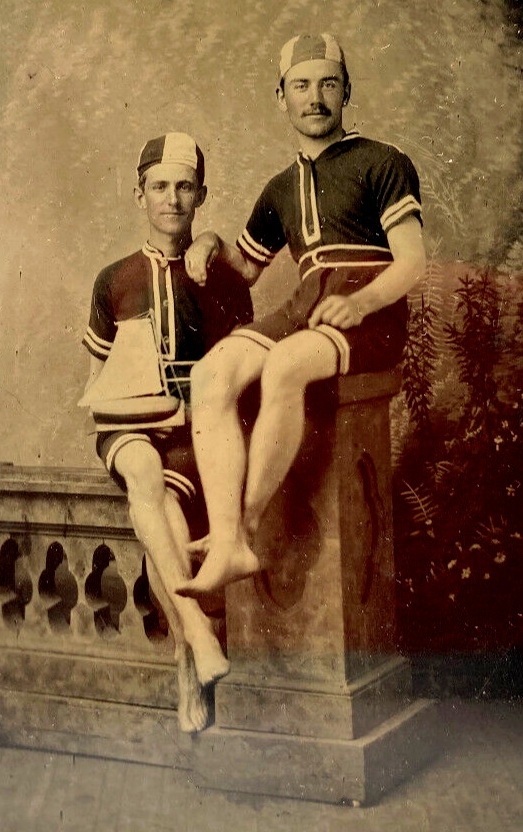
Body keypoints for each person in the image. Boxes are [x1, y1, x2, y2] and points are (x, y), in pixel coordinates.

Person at [176, 33, 426, 600]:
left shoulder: (383, 161)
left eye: (328, 84)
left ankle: (244, 529)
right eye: (301, 86)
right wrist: (209, 239)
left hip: (371, 315)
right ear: (282, 96)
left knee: (285, 365)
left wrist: (359, 303)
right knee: (211, 374)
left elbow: (412, 262)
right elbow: (246, 267)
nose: (315, 98)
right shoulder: (280, 188)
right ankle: (225, 537)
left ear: (346, 91)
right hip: (304, 309)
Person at [81, 131, 253, 731]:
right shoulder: (114, 279)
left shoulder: (225, 280)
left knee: (166, 516)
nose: (172, 199)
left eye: (184, 187)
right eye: (159, 187)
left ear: (201, 194)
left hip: (193, 429)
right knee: (141, 468)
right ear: (140, 194)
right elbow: (97, 379)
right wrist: (126, 410)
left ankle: (186, 655)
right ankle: (199, 631)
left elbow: (243, 372)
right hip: (129, 428)